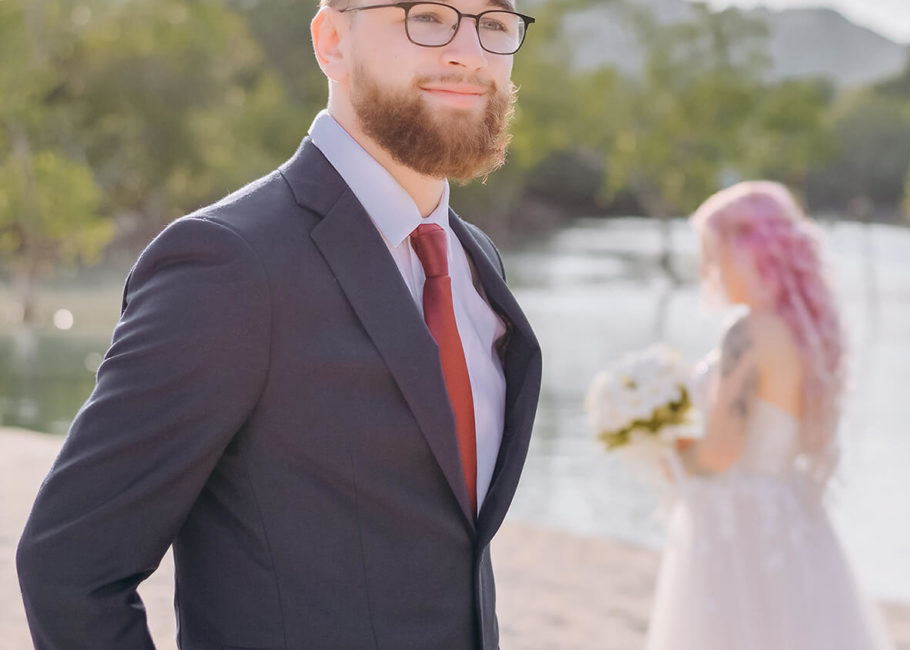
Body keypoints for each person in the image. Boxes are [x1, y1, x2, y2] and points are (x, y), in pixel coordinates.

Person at [16, 1, 541, 648]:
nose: (468, 52)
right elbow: (69, 568)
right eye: (426, 16)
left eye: (493, 23)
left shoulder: (475, 261)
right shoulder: (229, 264)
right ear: (331, 41)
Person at [646, 181, 891, 650]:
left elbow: (718, 454)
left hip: (738, 522)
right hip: (793, 515)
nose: (710, 268)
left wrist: (664, 443)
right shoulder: (807, 332)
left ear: (746, 252)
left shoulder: (749, 333)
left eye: (714, 252)